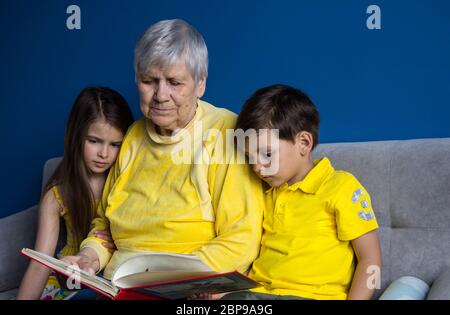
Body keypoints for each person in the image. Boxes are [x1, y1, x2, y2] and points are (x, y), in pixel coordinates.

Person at [61, 19, 264, 283]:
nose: (160, 95)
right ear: (137, 79)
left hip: (189, 286)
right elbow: (104, 225)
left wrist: (178, 281)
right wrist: (88, 257)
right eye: (149, 81)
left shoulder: (227, 134)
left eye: (174, 83)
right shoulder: (133, 136)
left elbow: (242, 239)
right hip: (118, 283)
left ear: (200, 84)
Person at [222, 84, 382, 300]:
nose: (257, 167)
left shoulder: (341, 187)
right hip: (259, 295)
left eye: (267, 154)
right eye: (251, 158)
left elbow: (371, 260)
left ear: (304, 143)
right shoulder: (265, 192)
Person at [16, 87, 134, 300]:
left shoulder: (127, 181)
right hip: (73, 276)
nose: (104, 154)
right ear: (76, 135)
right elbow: (40, 263)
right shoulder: (58, 194)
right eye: (94, 141)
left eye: (115, 144)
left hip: (116, 271)